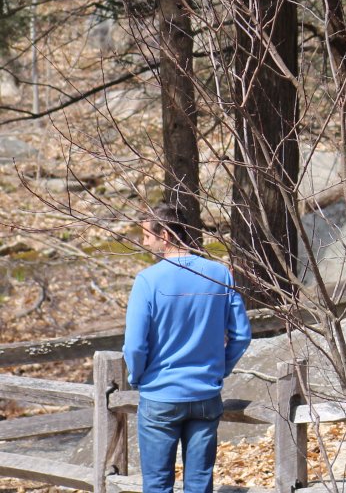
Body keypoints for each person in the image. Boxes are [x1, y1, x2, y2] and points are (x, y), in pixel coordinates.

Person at [124, 205, 252, 493]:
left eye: (147, 235)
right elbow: (241, 335)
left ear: (166, 235)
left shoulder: (147, 281)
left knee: (157, 485)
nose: (144, 243)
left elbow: (134, 344)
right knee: (199, 484)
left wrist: (138, 376)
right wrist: (219, 369)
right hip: (206, 394)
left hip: (161, 394)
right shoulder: (219, 274)